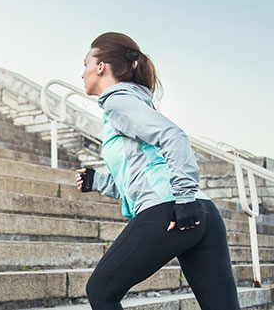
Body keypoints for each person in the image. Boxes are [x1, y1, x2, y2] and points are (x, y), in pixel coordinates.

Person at [74, 32, 241, 310]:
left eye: (85, 64)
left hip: (171, 209)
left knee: (101, 290)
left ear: (100, 66)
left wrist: (183, 198)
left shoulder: (117, 102)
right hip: (203, 212)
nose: (82, 73)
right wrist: (99, 182)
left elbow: (174, 137)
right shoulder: (135, 102)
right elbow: (143, 174)